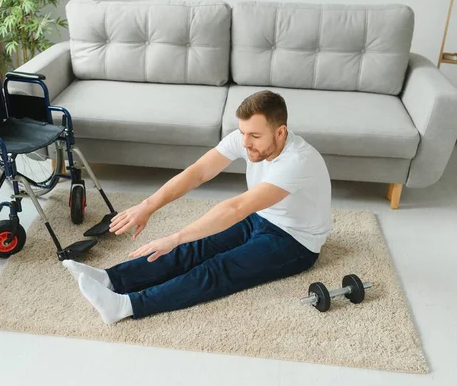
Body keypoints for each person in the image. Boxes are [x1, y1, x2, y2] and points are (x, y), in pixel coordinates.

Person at [62, 90, 332, 325]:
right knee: (193, 248)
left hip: (295, 241)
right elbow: (198, 172)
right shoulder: (247, 138)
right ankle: (111, 279)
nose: (246, 142)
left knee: (217, 268)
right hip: (260, 218)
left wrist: (174, 236)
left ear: (281, 132)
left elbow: (236, 208)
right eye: (242, 133)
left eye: (255, 135)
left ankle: (126, 306)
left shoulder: (298, 161)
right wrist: (148, 206)